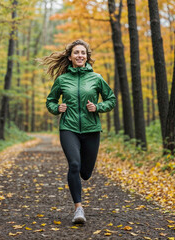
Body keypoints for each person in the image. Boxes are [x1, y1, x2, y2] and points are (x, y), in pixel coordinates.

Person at [42, 39, 116, 224]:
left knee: (86, 173)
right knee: (74, 165)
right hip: (69, 128)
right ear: (70, 57)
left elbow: (111, 99)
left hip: (92, 129)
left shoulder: (96, 78)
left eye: (83, 52)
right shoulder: (62, 79)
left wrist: (98, 107)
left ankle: (83, 177)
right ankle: (78, 209)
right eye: (76, 52)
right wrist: (57, 108)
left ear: (87, 57)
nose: (80, 55)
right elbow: (50, 101)